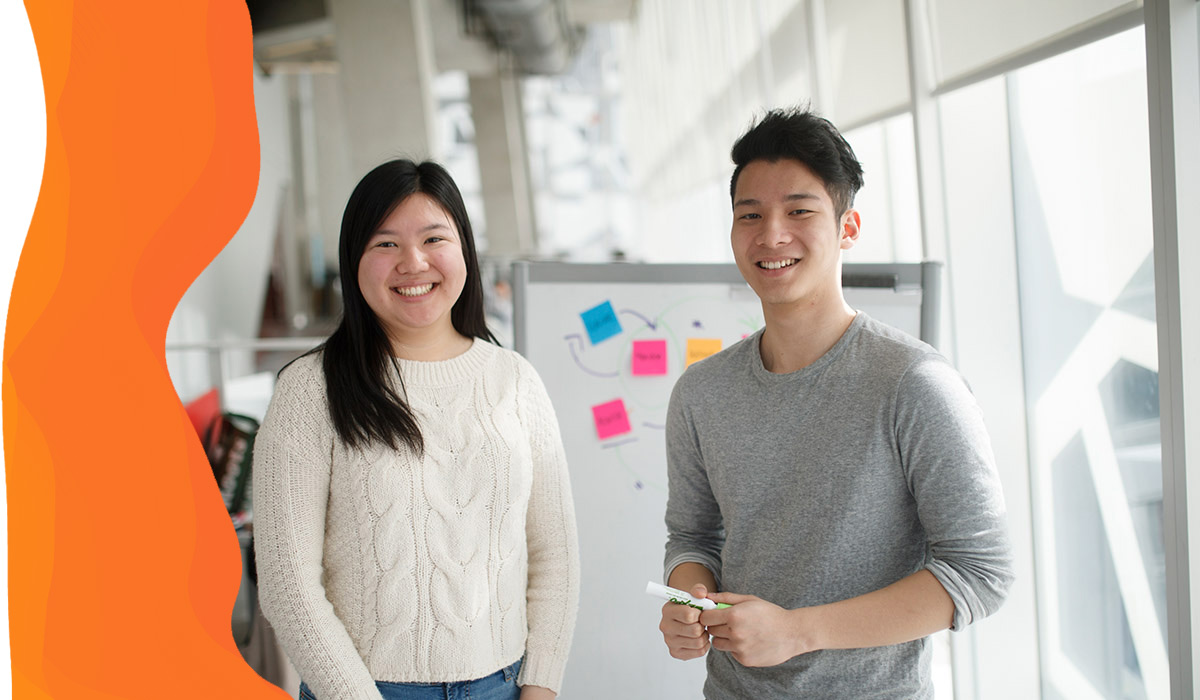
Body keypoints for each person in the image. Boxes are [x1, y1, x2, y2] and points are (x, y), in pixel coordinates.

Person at [658, 107, 1014, 698]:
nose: (771, 235)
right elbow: (693, 537)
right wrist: (686, 596)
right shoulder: (701, 391)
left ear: (848, 227)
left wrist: (799, 631)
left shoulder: (915, 382)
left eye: (799, 211)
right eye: (751, 215)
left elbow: (981, 572)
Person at [253, 159, 579, 700]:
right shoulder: (310, 390)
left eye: (434, 238)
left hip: (506, 685)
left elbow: (554, 554)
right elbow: (289, 586)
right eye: (385, 244)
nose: (414, 262)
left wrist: (541, 685)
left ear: (464, 251)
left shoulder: (515, 381)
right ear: (353, 260)